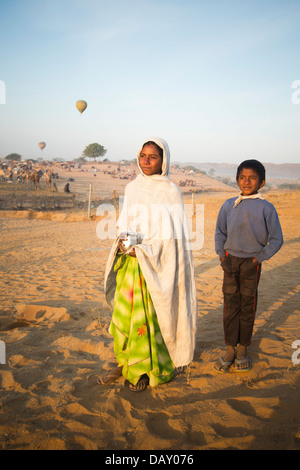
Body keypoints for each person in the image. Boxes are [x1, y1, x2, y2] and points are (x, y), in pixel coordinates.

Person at [99, 137, 197, 392]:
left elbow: (170, 238)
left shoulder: (170, 191)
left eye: (152, 157)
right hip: (131, 266)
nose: (146, 161)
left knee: (149, 319)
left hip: (155, 268)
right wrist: (123, 240)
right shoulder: (133, 188)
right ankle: (125, 363)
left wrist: (144, 250)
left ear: (163, 161)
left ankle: (144, 369)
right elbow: (125, 222)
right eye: (143, 155)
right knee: (127, 314)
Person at [214, 159, 283, 373]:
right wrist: (221, 257)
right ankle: (229, 350)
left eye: (252, 178)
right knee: (230, 307)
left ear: (261, 182)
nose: (247, 181)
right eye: (242, 177)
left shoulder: (266, 207)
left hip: (251, 264)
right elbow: (220, 233)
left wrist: (258, 259)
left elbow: (276, 239)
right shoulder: (228, 205)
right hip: (229, 261)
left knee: (247, 307)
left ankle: (243, 349)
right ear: (236, 180)